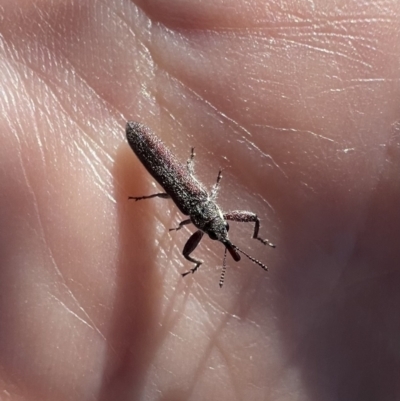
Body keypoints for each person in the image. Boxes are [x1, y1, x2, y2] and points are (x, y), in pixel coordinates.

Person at [0, 1, 399, 399]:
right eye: (220, 228)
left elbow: (234, 219)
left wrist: (224, 239)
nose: (221, 233)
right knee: (166, 173)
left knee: (174, 181)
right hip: (147, 150)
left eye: (218, 231)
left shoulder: (202, 209)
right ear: (210, 213)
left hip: (165, 170)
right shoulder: (196, 208)